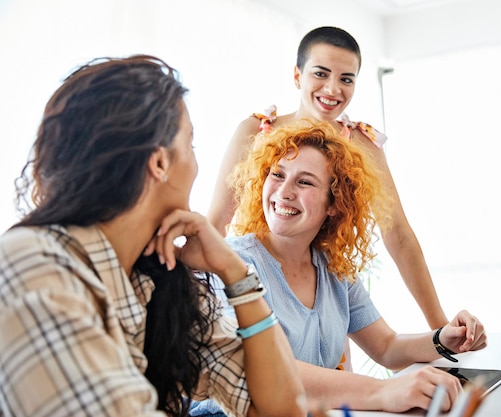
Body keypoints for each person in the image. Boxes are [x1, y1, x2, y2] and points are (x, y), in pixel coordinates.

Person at [0, 55, 306, 417]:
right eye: (190, 145)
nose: (196, 164)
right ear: (159, 163)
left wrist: (235, 273)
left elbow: (284, 410)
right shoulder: (33, 266)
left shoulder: (160, 279)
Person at [207, 25, 462, 338]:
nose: (332, 89)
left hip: (322, 294)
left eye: (346, 79)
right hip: (259, 292)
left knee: (334, 379)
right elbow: (218, 221)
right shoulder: (256, 131)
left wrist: (440, 328)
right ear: (298, 76)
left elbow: (397, 234)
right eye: (320, 73)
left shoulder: (362, 144)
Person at [224, 121, 487, 412]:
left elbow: (386, 347)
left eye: (305, 182)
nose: (284, 191)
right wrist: (382, 392)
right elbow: (261, 369)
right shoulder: (233, 264)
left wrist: (442, 339)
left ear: (334, 203)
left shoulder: (333, 268)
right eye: (277, 175)